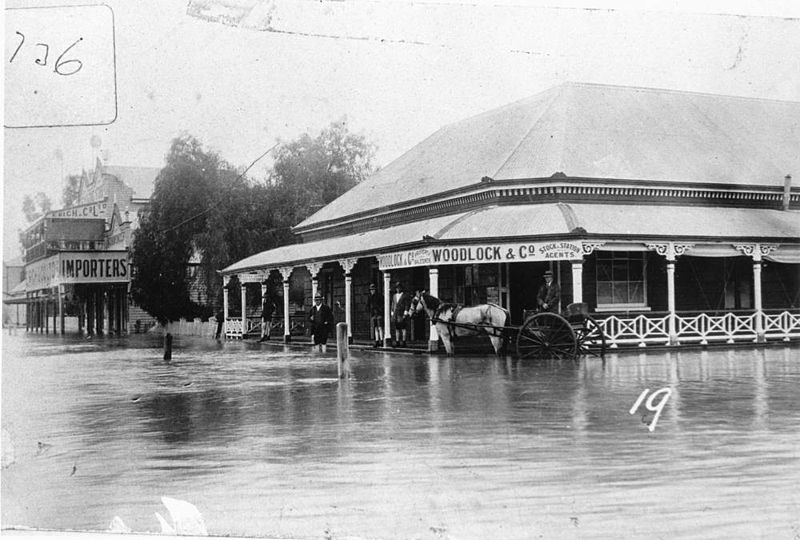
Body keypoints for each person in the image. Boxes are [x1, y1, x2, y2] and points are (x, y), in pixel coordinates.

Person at [391, 282, 412, 347]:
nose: (398, 289)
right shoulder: (394, 296)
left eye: (399, 288)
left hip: (401, 314)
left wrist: (405, 312)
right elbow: (393, 304)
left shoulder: (404, 296)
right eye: (397, 288)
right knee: (397, 328)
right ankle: (397, 341)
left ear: (401, 288)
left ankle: (403, 341)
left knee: (403, 328)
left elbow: (406, 304)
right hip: (396, 314)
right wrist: (392, 312)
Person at [366, 283, 384, 348]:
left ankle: (381, 340)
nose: (372, 291)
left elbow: (382, 304)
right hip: (373, 314)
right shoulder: (369, 297)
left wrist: (379, 310)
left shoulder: (379, 296)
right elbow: (367, 305)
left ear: (375, 290)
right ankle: (376, 341)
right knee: (375, 328)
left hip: (379, 313)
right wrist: (370, 310)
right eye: (371, 290)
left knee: (380, 327)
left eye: (373, 289)